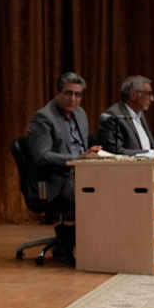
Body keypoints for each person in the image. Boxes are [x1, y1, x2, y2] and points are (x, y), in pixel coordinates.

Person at [25, 72, 103, 259]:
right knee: (99, 196)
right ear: (57, 93)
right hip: (58, 179)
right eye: (68, 93)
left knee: (118, 191)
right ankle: (74, 241)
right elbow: (42, 156)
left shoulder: (81, 114)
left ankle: (74, 238)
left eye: (78, 94)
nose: (73, 99)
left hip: (83, 173)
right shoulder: (43, 118)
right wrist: (78, 157)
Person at [96, 75, 154, 155]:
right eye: (148, 94)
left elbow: (144, 146)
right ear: (133, 95)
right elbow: (115, 151)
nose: (152, 99)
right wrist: (150, 152)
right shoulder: (113, 116)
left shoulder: (140, 114)